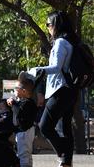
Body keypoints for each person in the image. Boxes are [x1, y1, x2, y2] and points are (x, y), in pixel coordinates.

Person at [30, 10, 78, 167]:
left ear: (56, 25)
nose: (47, 28)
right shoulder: (71, 42)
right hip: (71, 90)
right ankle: (67, 162)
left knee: (45, 126)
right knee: (66, 128)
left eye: (48, 24)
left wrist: (37, 69)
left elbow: (56, 67)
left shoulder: (60, 43)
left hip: (60, 90)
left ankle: (63, 154)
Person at [7, 73, 38, 167]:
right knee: (25, 153)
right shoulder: (23, 102)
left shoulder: (27, 103)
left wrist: (13, 104)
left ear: (23, 91)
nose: (14, 91)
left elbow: (19, 112)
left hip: (25, 131)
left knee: (23, 154)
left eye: (16, 89)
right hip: (24, 131)